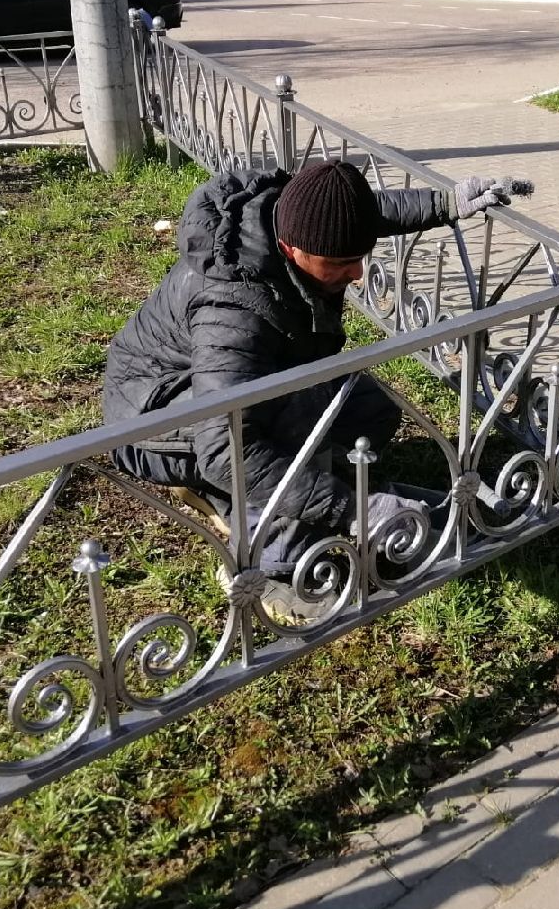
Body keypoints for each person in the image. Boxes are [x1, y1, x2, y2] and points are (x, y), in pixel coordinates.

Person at [103, 159, 531, 588]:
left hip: (225, 387)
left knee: (368, 410)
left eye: (361, 257)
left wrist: (445, 202)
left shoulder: (289, 214)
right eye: (343, 262)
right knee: (292, 425)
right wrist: (351, 511)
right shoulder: (232, 310)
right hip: (151, 416)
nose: (358, 274)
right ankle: (272, 559)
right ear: (293, 250)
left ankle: (304, 488)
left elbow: (358, 216)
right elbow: (226, 447)